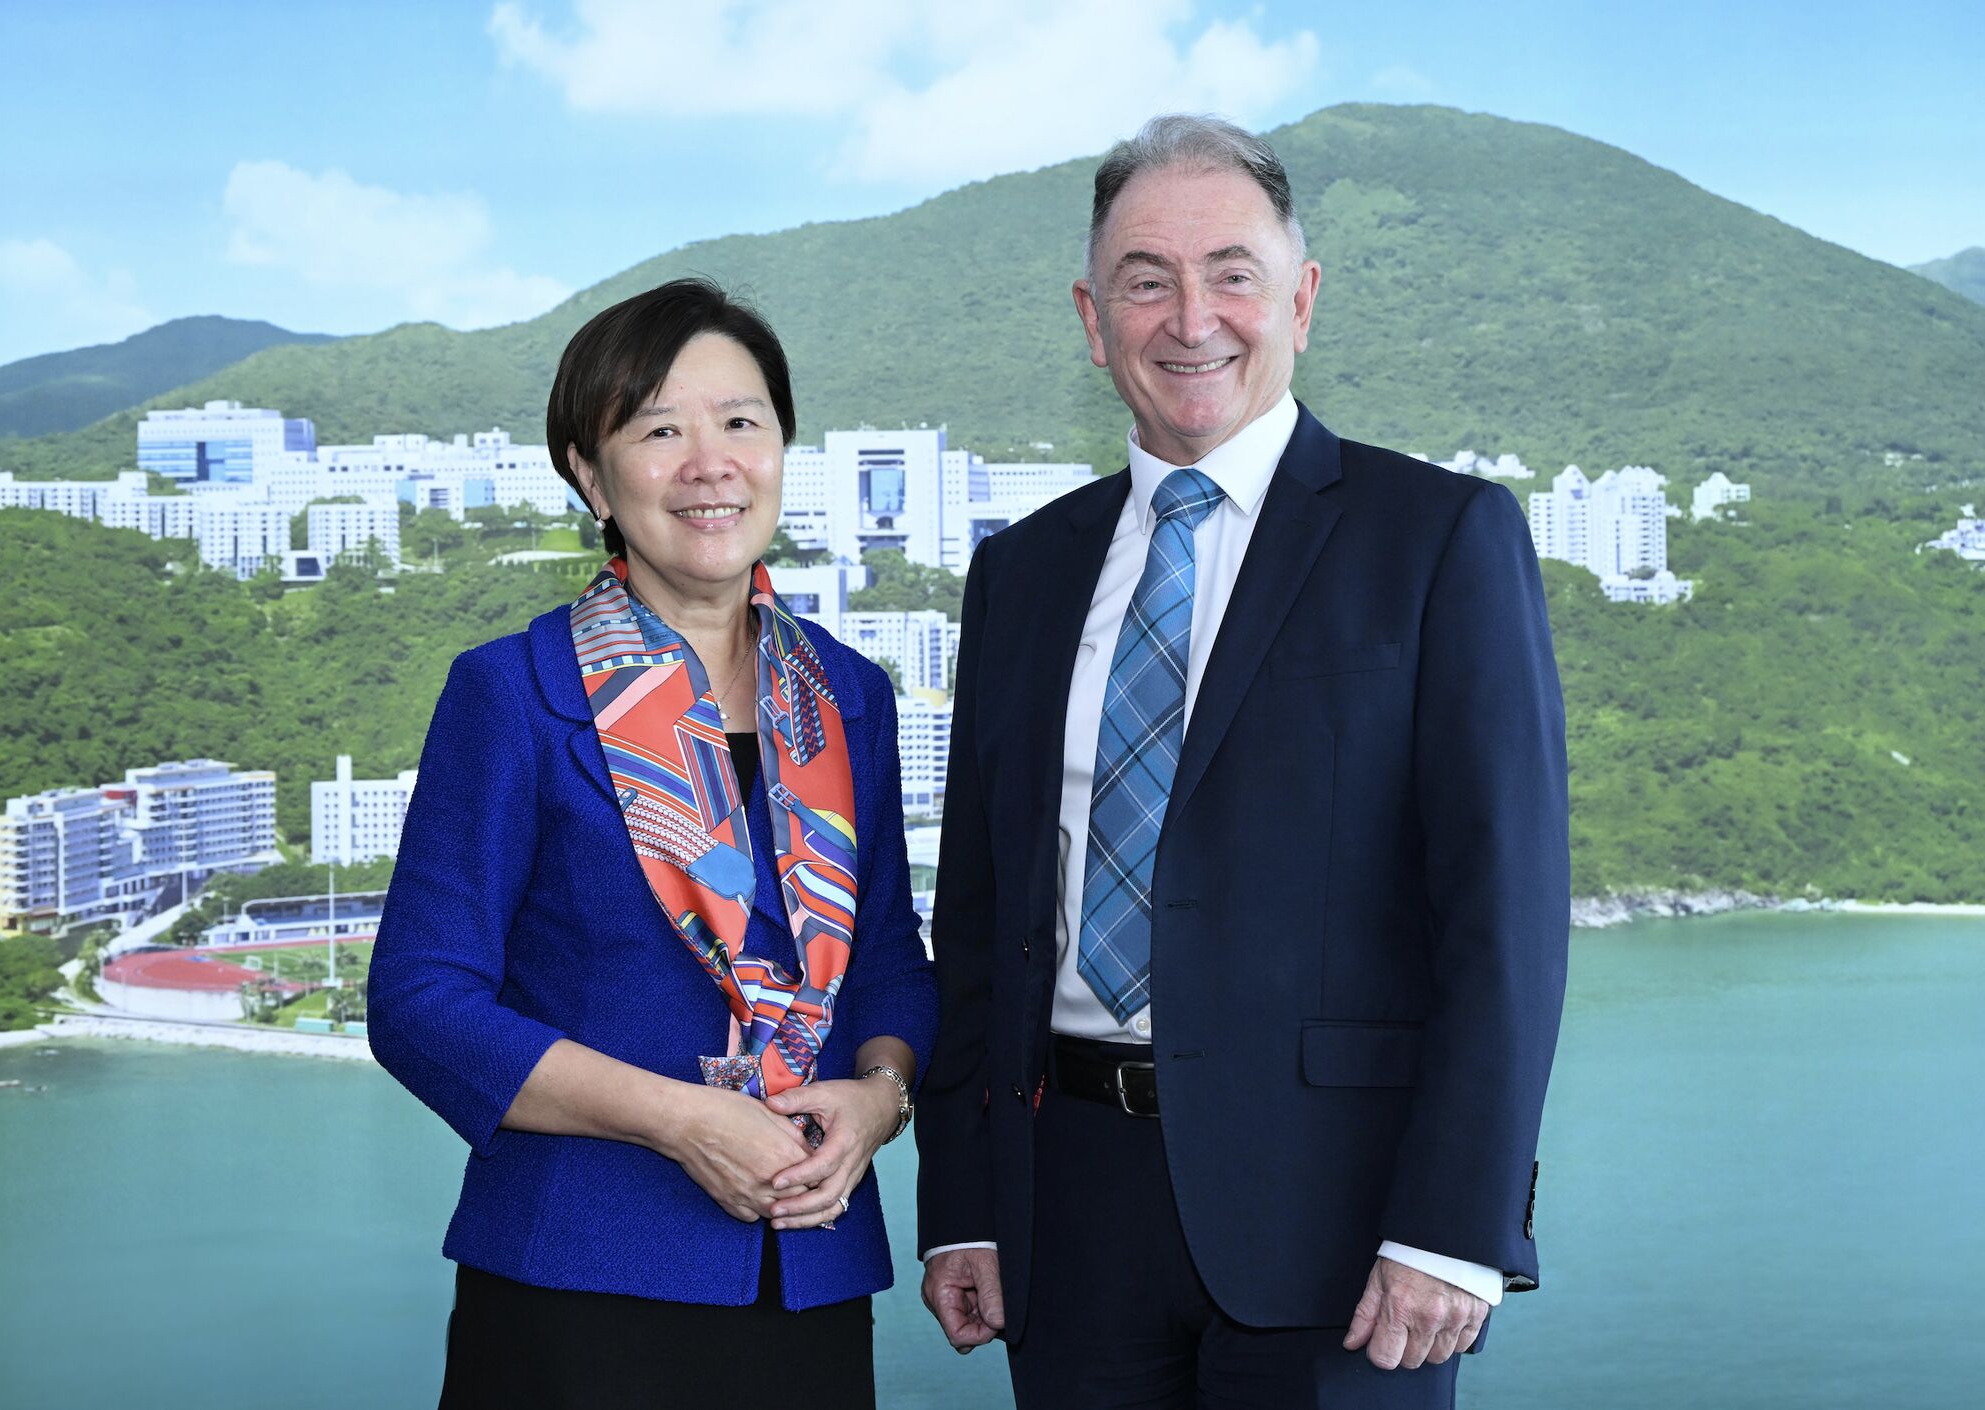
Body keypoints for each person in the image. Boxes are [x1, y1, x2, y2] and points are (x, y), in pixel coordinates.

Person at [914, 115, 1569, 1408]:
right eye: (1145, 280)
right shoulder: (1022, 574)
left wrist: (1458, 1221)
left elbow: (1505, 914)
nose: (1189, 316)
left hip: (1342, 1224)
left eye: (1232, 272)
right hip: (1070, 1214)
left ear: (1303, 301)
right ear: (1093, 319)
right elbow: (981, 919)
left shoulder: (1438, 542)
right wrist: (963, 1199)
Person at [368, 278, 937, 1410]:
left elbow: (886, 961)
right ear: (590, 471)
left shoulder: (846, 698)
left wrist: (877, 1099)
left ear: (781, 446)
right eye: (657, 430)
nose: (709, 463)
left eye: (741, 423)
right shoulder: (513, 693)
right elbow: (422, 1002)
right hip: (577, 1288)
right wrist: (684, 1122)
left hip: (809, 1275)